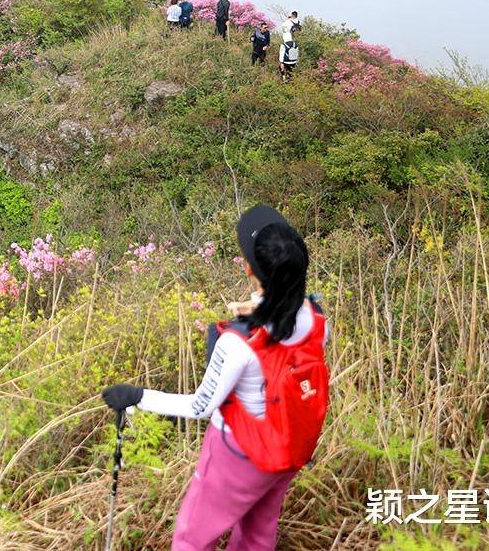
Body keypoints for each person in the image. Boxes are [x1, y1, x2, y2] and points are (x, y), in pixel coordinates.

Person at [102, 205, 329, 551]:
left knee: (193, 537)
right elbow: (286, 323)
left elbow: (201, 406)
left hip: (238, 455)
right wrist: (258, 307)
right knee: (258, 533)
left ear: (249, 269)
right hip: (288, 448)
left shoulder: (237, 343)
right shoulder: (317, 320)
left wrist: (137, 397)